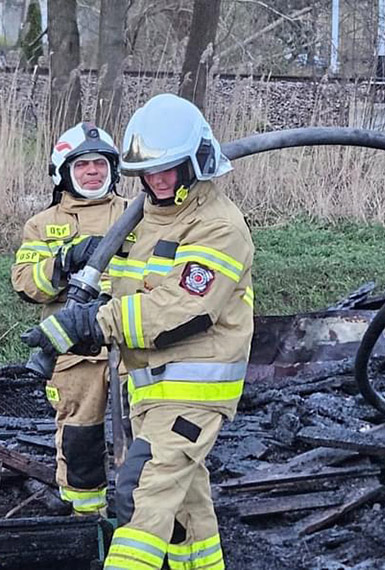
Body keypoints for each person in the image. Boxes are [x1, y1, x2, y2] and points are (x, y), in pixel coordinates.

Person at [23, 94, 255, 569]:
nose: (157, 180)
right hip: (153, 389)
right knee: (187, 504)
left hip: (193, 394)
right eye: (147, 171)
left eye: (169, 169)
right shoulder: (147, 216)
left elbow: (181, 308)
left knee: (140, 500)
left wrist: (92, 322)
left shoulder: (218, 225)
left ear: (198, 162)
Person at [12, 122, 126, 515]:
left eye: (100, 164)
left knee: (147, 434)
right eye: (83, 166)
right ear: (64, 173)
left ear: (113, 169)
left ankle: (144, 515)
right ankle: (86, 516)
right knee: (80, 440)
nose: (93, 172)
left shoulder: (135, 214)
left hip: (131, 345)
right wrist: (64, 260)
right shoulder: (42, 225)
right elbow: (26, 284)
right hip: (72, 352)